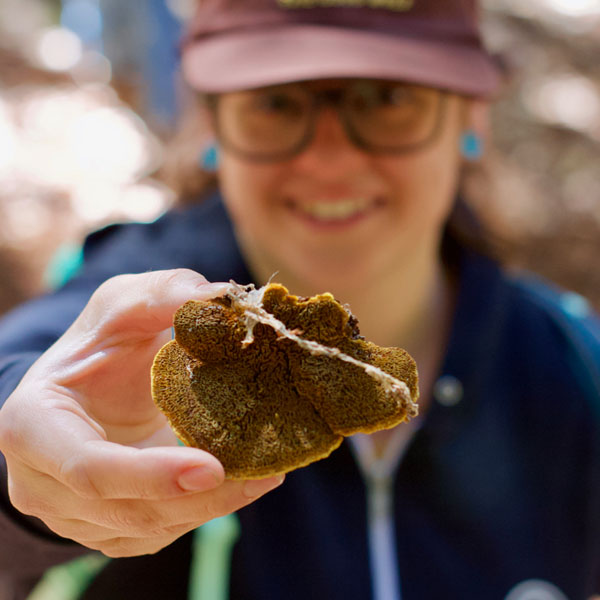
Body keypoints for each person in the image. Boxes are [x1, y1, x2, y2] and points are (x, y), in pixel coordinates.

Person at [0, 1, 599, 599]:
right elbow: (28, 372)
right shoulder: (140, 323)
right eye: (276, 103)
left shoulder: (572, 366)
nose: (330, 160)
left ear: (472, 119)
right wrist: (27, 476)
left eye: (387, 100)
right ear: (210, 123)